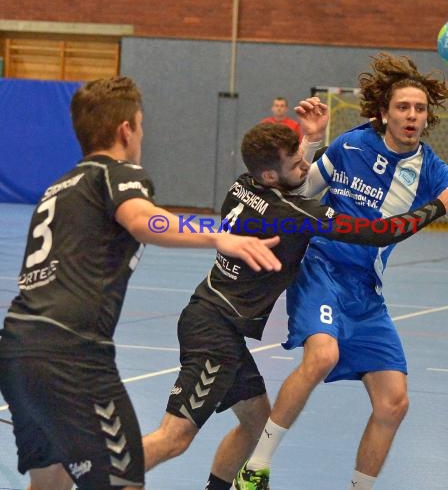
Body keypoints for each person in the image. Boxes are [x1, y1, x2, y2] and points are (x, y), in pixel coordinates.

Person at [235, 53, 448, 490]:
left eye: (420, 109)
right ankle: (255, 467)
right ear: (385, 111)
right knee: (322, 356)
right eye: (403, 107)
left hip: (366, 290)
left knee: (393, 402)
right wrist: (312, 142)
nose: (412, 116)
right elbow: (300, 188)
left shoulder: (431, 169)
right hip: (320, 268)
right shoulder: (351, 145)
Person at [141, 97, 448, 490]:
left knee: (257, 423)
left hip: (216, 320)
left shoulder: (243, 184)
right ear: (271, 177)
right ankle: (100, 471)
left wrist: (309, 141)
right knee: (174, 438)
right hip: (213, 334)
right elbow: (380, 232)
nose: (306, 166)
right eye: (296, 164)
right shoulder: (293, 215)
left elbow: (295, 179)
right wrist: (436, 207)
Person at [0, 76, 283, 490]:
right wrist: (217, 233)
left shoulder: (57, 188)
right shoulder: (118, 174)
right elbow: (143, 220)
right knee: (124, 480)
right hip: (72, 352)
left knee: (51, 480)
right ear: (126, 130)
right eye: (141, 125)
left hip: (18, 348)